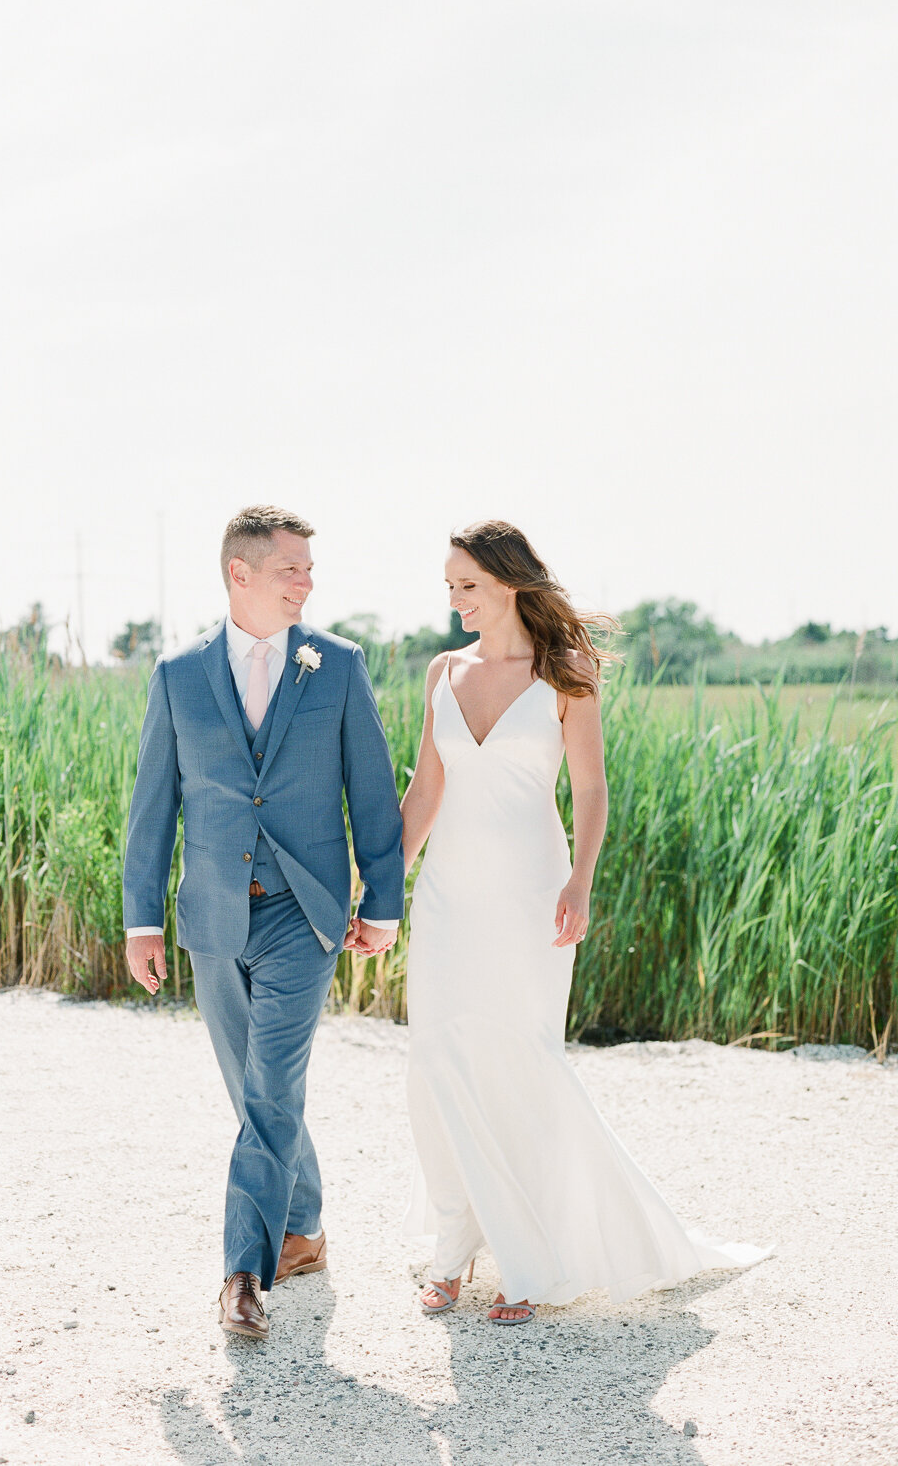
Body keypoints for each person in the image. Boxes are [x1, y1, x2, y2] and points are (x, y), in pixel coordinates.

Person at [400, 520, 768, 1324]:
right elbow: (424, 793)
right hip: (447, 898)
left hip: (531, 893)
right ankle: (450, 1253)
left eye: (467, 584)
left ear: (509, 583)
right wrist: (382, 894)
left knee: (520, 1062)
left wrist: (581, 880)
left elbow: (591, 791)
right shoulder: (442, 672)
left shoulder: (567, 673)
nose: (455, 599)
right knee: (435, 1064)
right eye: (450, 586)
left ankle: (530, 1260)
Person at [123, 505, 404, 1341]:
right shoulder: (177, 676)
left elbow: (374, 793)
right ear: (238, 573)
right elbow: (152, 808)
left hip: (303, 914)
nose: (308, 583)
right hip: (212, 915)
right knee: (253, 1094)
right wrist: (141, 922)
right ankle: (306, 1227)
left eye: (310, 570)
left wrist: (382, 905)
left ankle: (243, 1275)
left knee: (272, 1087)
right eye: (292, 569)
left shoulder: (338, 667)